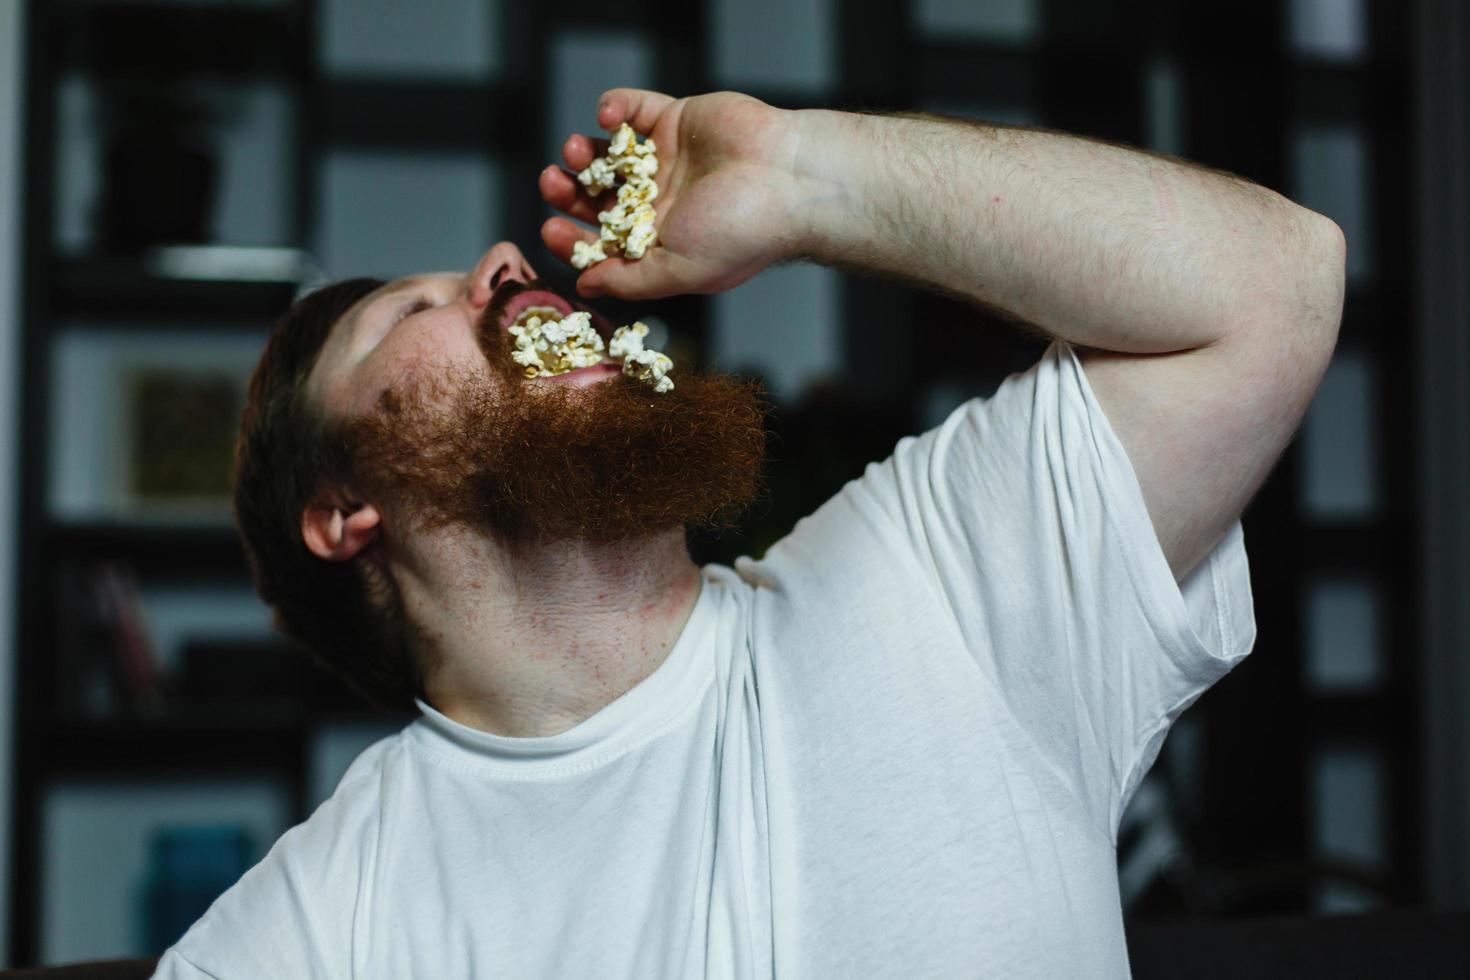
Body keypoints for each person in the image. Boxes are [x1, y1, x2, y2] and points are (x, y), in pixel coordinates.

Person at [152, 87, 1344, 978]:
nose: (505, 266)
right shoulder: (328, 922)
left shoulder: (935, 581)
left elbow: (1277, 282)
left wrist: (803, 176)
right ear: (344, 515)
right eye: (412, 309)